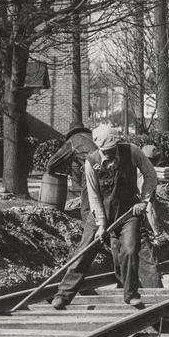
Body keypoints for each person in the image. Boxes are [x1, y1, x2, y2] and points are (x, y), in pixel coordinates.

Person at [84, 124, 158, 307]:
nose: (109, 154)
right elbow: (93, 196)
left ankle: (131, 293)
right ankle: (64, 293)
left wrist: (144, 200)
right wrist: (101, 224)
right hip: (102, 211)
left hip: (129, 211)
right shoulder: (91, 162)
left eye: (112, 149)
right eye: (105, 151)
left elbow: (151, 175)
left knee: (130, 249)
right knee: (86, 251)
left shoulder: (131, 151)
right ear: (98, 147)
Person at [48, 124, 101, 310]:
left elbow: (53, 162)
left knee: (89, 222)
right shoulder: (96, 138)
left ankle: (64, 292)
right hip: (106, 178)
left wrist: (52, 172)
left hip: (93, 178)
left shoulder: (74, 141)